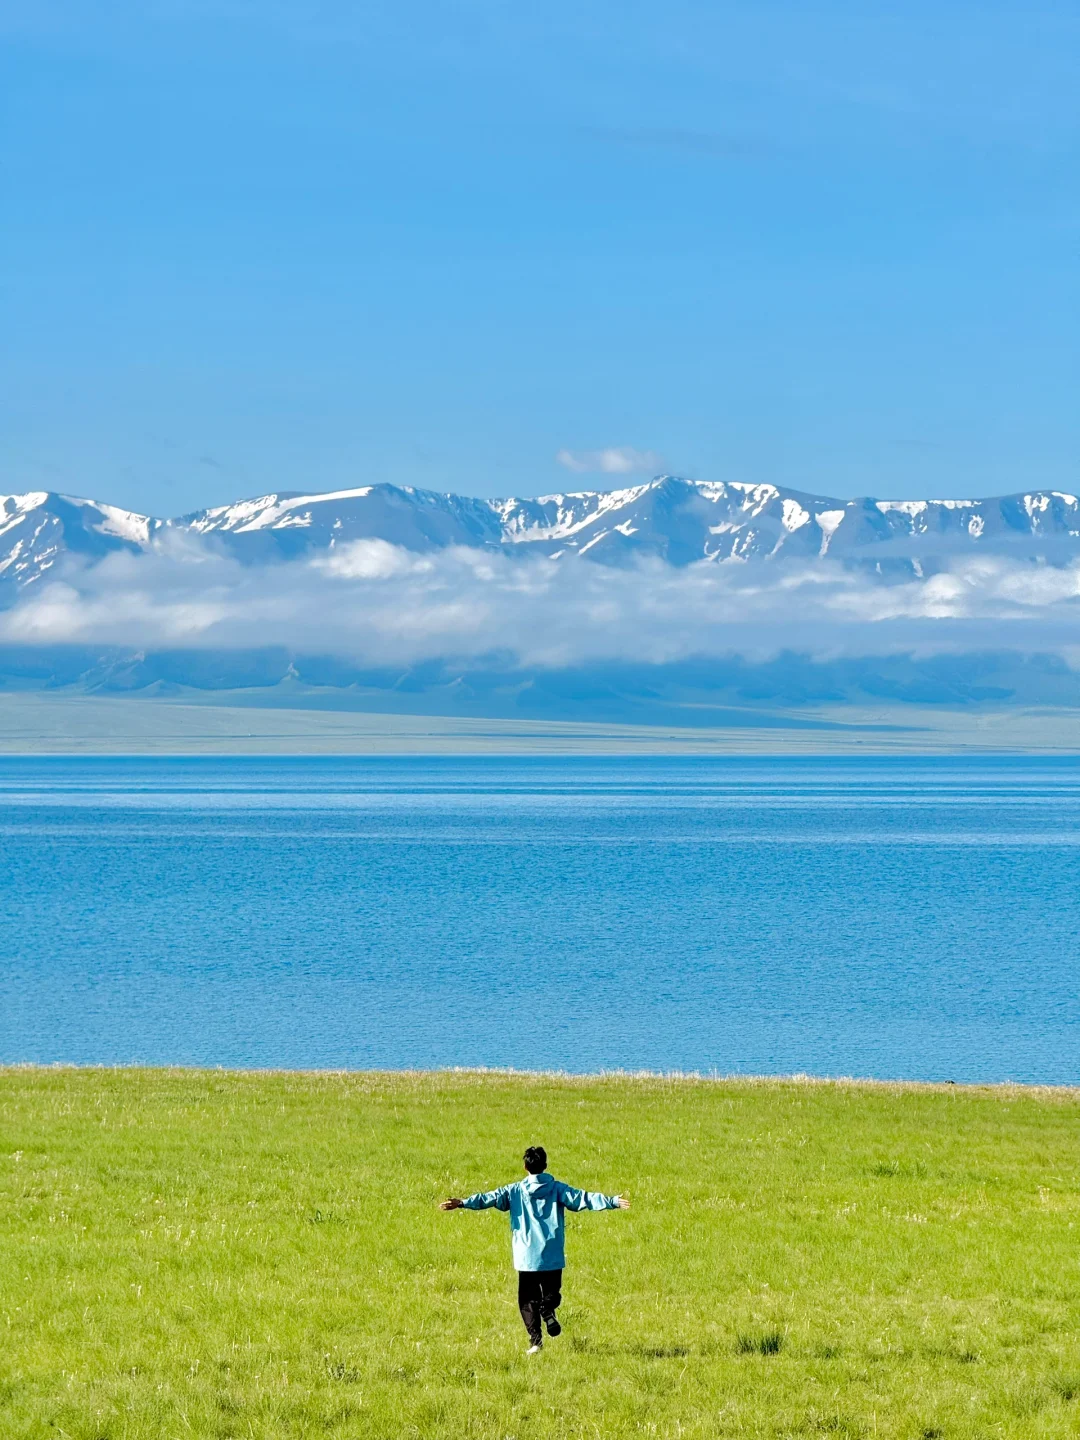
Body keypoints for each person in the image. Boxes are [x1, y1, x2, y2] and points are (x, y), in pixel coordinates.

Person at [440, 1144, 629, 1354]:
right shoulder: (557, 1188)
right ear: (546, 1166)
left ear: (525, 1167)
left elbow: (488, 1198)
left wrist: (462, 1203)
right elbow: (582, 1198)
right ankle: (547, 1309)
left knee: (527, 1299)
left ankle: (535, 1342)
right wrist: (611, 1201)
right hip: (552, 1255)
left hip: (526, 1257)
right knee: (552, 1294)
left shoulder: (514, 1191)